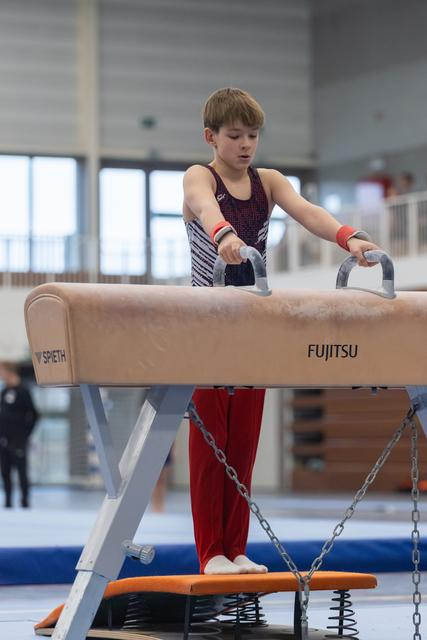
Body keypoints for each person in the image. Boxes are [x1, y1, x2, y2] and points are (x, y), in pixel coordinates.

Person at [183, 87, 380, 575]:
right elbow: (204, 205)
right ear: (211, 137)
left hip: (255, 324)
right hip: (207, 324)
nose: (247, 144)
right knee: (212, 445)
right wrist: (223, 234)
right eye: (235, 136)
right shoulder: (199, 176)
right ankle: (211, 554)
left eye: (253, 135)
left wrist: (348, 237)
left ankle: (237, 549)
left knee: (243, 445)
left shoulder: (268, 181)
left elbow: (308, 211)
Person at [0, 362, 39, 508]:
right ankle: (8, 501)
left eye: (2, 372)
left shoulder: (24, 392)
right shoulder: (4, 392)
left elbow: (34, 414)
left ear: (10, 373)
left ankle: (24, 500)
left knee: (21, 472)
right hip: (4, 440)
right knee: (5, 472)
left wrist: (25, 434)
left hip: (18, 440)